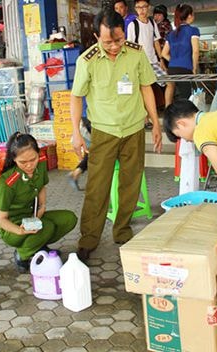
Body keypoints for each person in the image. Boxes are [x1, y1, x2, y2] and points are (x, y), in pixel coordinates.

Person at [70, 10, 162, 261]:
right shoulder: (86, 61)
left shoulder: (135, 53)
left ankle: (122, 231)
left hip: (133, 129)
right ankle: (89, 238)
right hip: (104, 131)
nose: (113, 46)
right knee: (97, 189)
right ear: (95, 36)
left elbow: (146, 88)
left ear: (124, 32)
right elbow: (76, 97)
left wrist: (155, 123)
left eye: (118, 40)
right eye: (107, 41)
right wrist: (75, 132)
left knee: (130, 185)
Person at [0, 132, 77, 272]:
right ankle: (22, 254)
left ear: (38, 154)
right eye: (23, 162)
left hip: (33, 216)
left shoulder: (41, 163)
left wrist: (42, 206)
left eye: (33, 159)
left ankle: (38, 246)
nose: (29, 165)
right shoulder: (8, 182)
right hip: (13, 227)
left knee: (69, 219)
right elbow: (1, 220)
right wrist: (20, 231)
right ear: (14, 159)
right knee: (46, 227)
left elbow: (42, 186)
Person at [127, 0, 166, 128]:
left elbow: (156, 41)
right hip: (139, 63)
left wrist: (161, 59)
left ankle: (167, 111)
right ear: (135, 9)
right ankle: (145, 119)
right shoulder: (133, 25)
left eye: (144, 7)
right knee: (143, 90)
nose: (142, 10)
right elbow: (130, 45)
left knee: (168, 81)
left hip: (153, 61)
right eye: (139, 7)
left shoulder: (152, 22)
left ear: (148, 8)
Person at [161, 4, 200, 105]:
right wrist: (194, 68)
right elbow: (195, 51)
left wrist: (174, 60)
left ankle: (167, 113)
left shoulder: (171, 34)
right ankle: (183, 116)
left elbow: (164, 53)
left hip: (172, 68)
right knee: (186, 96)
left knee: (170, 90)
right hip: (186, 68)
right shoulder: (193, 30)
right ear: (190, 16)